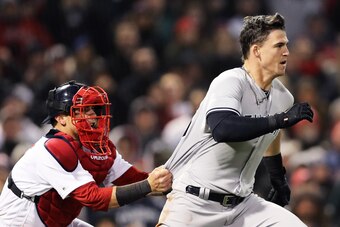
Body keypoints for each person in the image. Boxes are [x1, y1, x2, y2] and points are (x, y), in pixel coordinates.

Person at [157, 13, 314, 227]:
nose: (287, 51)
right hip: (195, 203)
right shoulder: (230, 81)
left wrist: (278, 178)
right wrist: (281, 119)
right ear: (256, 51)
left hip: (243, 206)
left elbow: (270, 140)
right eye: (279, 45)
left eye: (286, 45)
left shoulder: (283, 97)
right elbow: (223, 128)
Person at [0, 80, 172, 227]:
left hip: (52, 219)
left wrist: (165, 183)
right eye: (80, 109)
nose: (91, 114)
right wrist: (149, 186)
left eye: (91, 108)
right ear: (61, 118)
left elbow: (134, 179)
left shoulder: (97, 146)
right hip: (19, 220)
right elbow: (94, 198)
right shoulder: (53, 147)